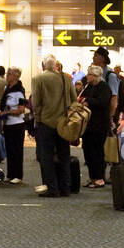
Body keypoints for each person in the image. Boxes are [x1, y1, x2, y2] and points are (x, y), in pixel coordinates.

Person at [29, 55, 73, 198]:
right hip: (64, 124)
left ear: (43, 65)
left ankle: (52, 188)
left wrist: (38, 118)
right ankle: (65, 187)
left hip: (46, 122)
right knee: (64, 155)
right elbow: (73, 99)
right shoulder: (66, 78)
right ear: (55, 65)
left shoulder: (38, 79)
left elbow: (36, 101)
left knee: (46, 157)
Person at [79, 65, 113, 188]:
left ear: (96, 76)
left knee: (97, 152)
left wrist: (88, 101)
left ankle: (99, 178)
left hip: (99, 125)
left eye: (90, 74)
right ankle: (92, 177)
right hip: (88, 125)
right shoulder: (88, 87)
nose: (87, 76)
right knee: (87, 151)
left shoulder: (104, 88)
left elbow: (103, 103)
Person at [0, 66, 28, 185]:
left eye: (9, 74)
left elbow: (21, 110)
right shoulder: (7, 88)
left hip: (17, 124)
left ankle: (18, 175)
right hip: (8, 124)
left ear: (15, 76)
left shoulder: (20, 91)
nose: (7, 76)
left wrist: (7, 112)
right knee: (9, 150)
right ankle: (11, 174)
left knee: (17, 150)